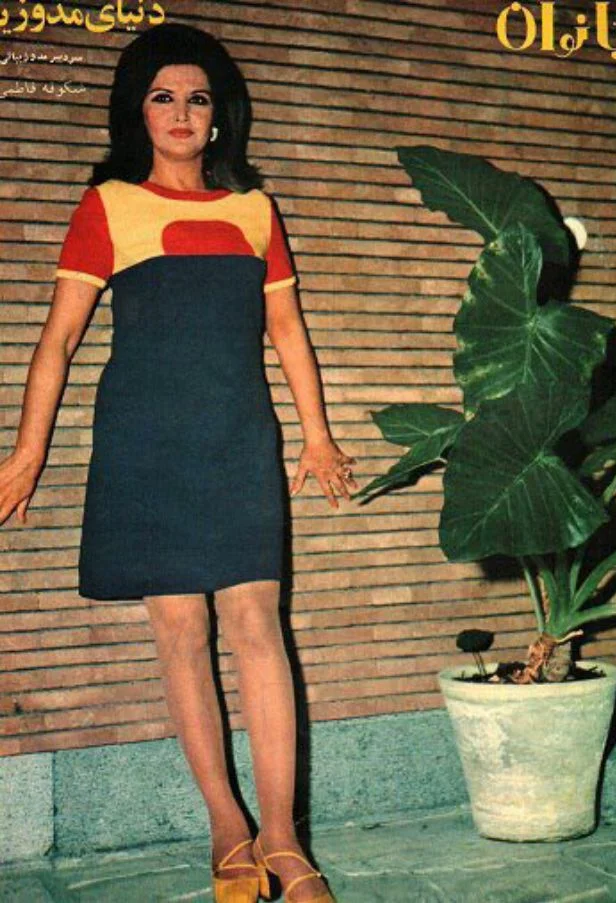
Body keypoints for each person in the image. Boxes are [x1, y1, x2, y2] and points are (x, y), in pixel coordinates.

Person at [0, 23, 357, 903]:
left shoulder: (255, 211)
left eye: (197, 98)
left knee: (257, 621)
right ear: (138, 112)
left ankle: (283, 837)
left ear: (220, 116)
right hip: (145, 442)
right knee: (180, 631)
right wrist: (28, 449)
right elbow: (58, 340)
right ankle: (228, 827)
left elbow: (287, 330)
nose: (181, 113)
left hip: (238, 437)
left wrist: (316, 434)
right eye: (163, 97)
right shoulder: (109, 206)